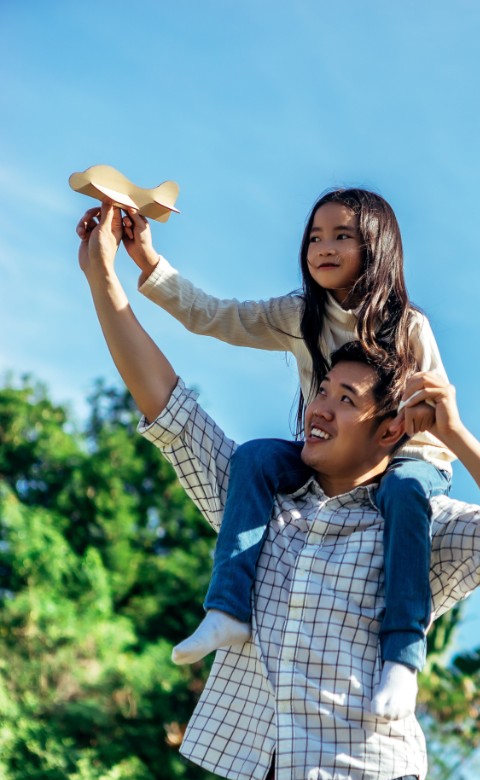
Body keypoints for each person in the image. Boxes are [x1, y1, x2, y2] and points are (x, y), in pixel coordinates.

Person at [78, 199, 480, 780]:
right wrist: (105, 276)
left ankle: (403, 660)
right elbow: (167, 405)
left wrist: (458, 436)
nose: (319, 406)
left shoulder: (418, 527)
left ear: (389, 426)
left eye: (346, 399)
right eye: (320, 391)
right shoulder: (255, 503)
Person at [118, 188, 451, 721]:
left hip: (411, 454)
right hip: (327, 449)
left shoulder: (409, 328)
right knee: (253, 458)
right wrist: (149, 262)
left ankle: (402, 660)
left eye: (343, 236)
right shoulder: (301, 315)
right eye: (315, 237)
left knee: (406, 491)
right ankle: (228, 609)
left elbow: (434, 410)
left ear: (377, 248)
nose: (324, 247)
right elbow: (215, 316)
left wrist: (407, 431)